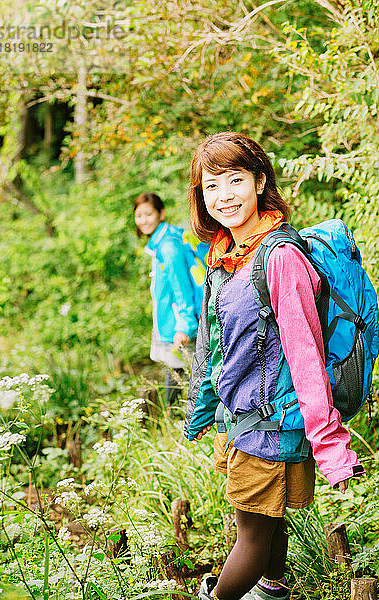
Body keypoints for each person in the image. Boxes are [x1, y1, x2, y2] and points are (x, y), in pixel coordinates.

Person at [184, 132, 364, 600]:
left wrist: (331, 447)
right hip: (246, 419)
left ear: (260, 182)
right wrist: (205, 410)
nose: (224, 196)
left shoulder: (279, 258)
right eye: (211, 186)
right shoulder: (228, 257)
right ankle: (272, 591)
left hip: (274, 423)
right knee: (268, 519)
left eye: (235, 180)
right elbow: (217, 345)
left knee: (251, 533)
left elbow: (305, 358)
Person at [134, 192, 208, 404]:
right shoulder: (165, 240)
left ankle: (176, 422)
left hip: (178, 324)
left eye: (149, 214)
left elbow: (181, 286)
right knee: (180, 374)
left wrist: (185, 325)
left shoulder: (168, 246)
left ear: (161, 213)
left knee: (179, 376)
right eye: (139, 216)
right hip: (173, 321)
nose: (143, 221)